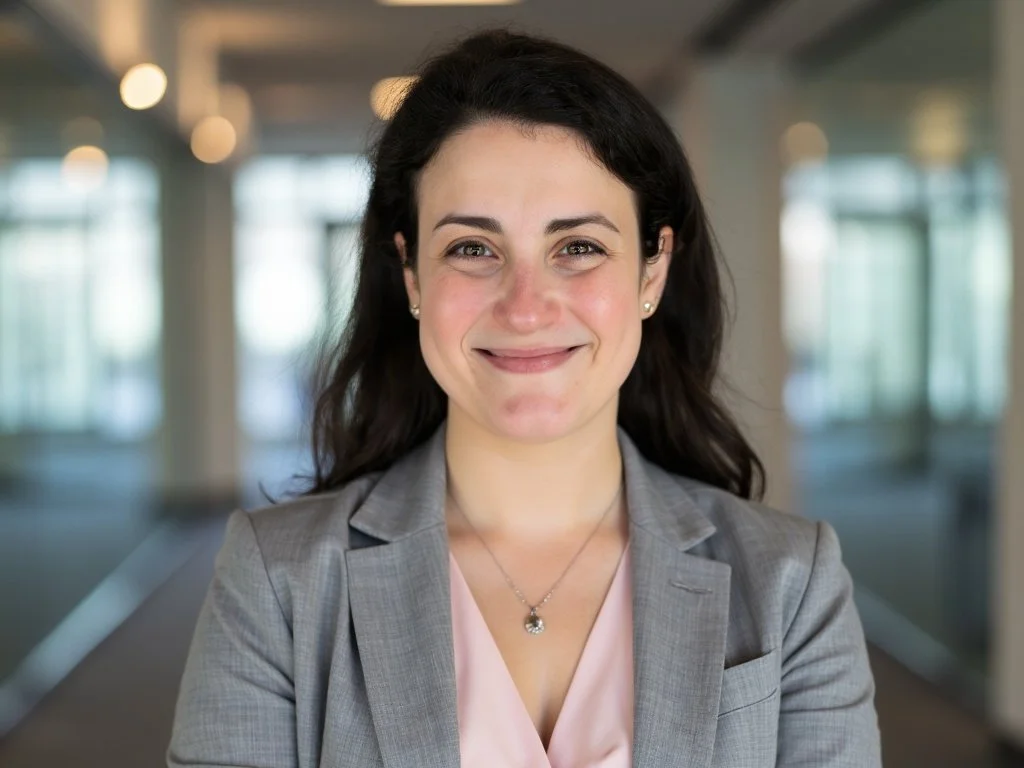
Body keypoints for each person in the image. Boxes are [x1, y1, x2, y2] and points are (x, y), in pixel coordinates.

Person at [167, 28, 882, 768]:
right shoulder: (280, 581)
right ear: (412, 275)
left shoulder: (792, 582)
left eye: (578, 247)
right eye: (473, 249)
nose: (526, 306)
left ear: (651, 271)